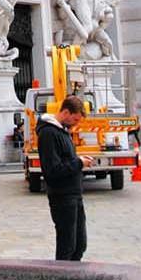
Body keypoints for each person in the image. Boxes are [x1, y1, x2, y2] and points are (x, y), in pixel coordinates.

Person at [37, 94, 87, 262]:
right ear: (65, 112)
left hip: (74, 195)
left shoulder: (63, 131)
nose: (76, 124)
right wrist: (79, 163)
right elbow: (52, 170)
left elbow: (65, 161)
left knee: (79, 245)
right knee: (67, 246)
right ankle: (63, 276)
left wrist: (78, 162)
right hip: (62, 197)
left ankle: (74, 276)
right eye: (75, 119)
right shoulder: (48, 134)